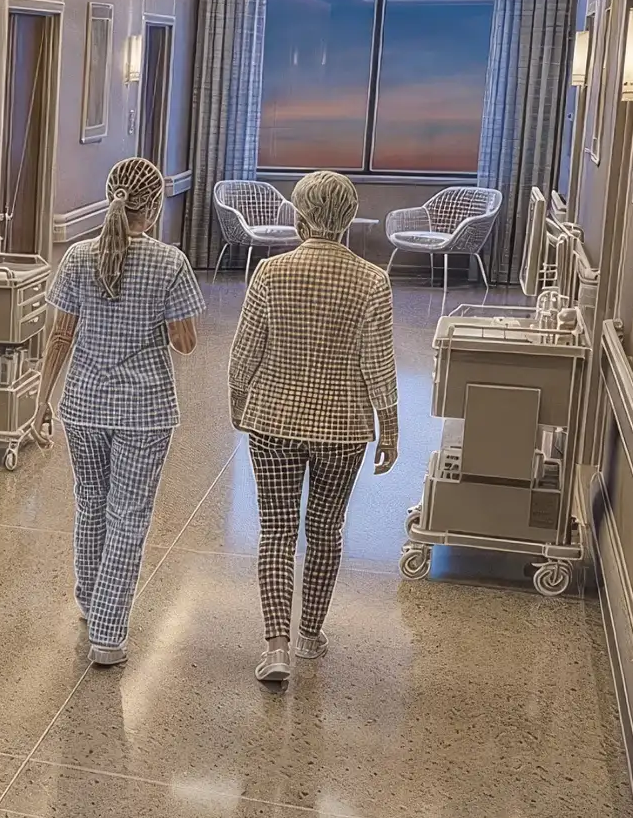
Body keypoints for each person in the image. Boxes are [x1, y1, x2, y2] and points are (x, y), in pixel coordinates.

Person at [226, 170, 400, 686]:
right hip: (342, 428)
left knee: (277, 530)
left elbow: (245, 351)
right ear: (347, 220)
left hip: (274, 418)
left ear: (300, 218)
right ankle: (309, 635)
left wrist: (239, 398)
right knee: (325, 532)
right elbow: (379, 364)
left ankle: (275, 646)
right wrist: (388, 429)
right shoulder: (373, 280)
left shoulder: (270, 273)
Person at [33, 156, 204, 667]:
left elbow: (60, 334)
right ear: (151, 209)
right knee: (128, 516)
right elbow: (184, 343)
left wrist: (42, 402)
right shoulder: (170, 263)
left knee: (91, 503)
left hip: (82, 404)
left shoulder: (78, 258)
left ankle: (91, 601)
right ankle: (108, 634)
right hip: (144, 410)